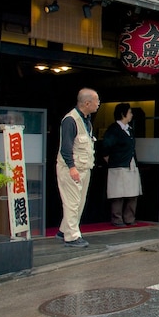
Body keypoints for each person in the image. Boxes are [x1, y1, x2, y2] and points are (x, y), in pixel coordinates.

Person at [55, 88, 101, 248]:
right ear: (87, 103)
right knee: (72, 203)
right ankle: (72, 236)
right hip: (72, 169)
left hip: (84, 167)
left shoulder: (85, 120)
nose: (98, 104)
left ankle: (63, 230)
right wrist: (71, 167)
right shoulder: (70, 120)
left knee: (79, 202)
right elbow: (66, 148)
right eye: (97, 101)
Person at [100, 103, 142, 227]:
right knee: (118, 193)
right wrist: (112, 161)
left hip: (131, 164)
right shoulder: (114, 130)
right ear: (123, 114)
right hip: (118, 165)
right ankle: (117, 219)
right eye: (129, 112)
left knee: (132, 192)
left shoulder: (129, 129)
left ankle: (129, 218)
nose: (131, 115)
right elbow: (105, 147)